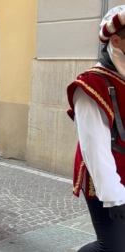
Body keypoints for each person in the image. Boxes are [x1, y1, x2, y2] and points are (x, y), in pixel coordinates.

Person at [66, 6, 125, 251]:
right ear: (116, 40)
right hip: (106, 176)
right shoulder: (92, 83)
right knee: (111, 247)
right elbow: (94, 145)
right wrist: (114, 196)